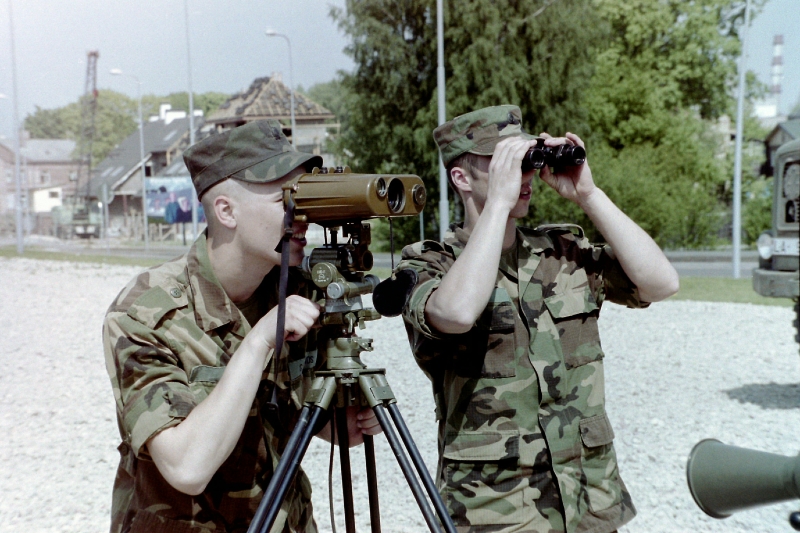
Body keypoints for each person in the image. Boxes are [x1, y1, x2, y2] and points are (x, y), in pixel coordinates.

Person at [395, 105, 679, 533]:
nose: (523, 175)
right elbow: (455, 313)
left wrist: (589, 195)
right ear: (461, 178)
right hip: (497, 507)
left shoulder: (560, 253)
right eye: (504, 162)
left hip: (586, 497)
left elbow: (661, 283)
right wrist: (499, 204)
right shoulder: (431, 264)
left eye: (526, 159)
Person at [102, 120, 381, 533]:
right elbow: (186, 467)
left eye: (304, 195)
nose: (302, 215)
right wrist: (258, 342)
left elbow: (309, 417)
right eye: (286, 198)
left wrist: (351, 422)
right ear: (226, 211)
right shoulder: (146, 312)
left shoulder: (302, 290)